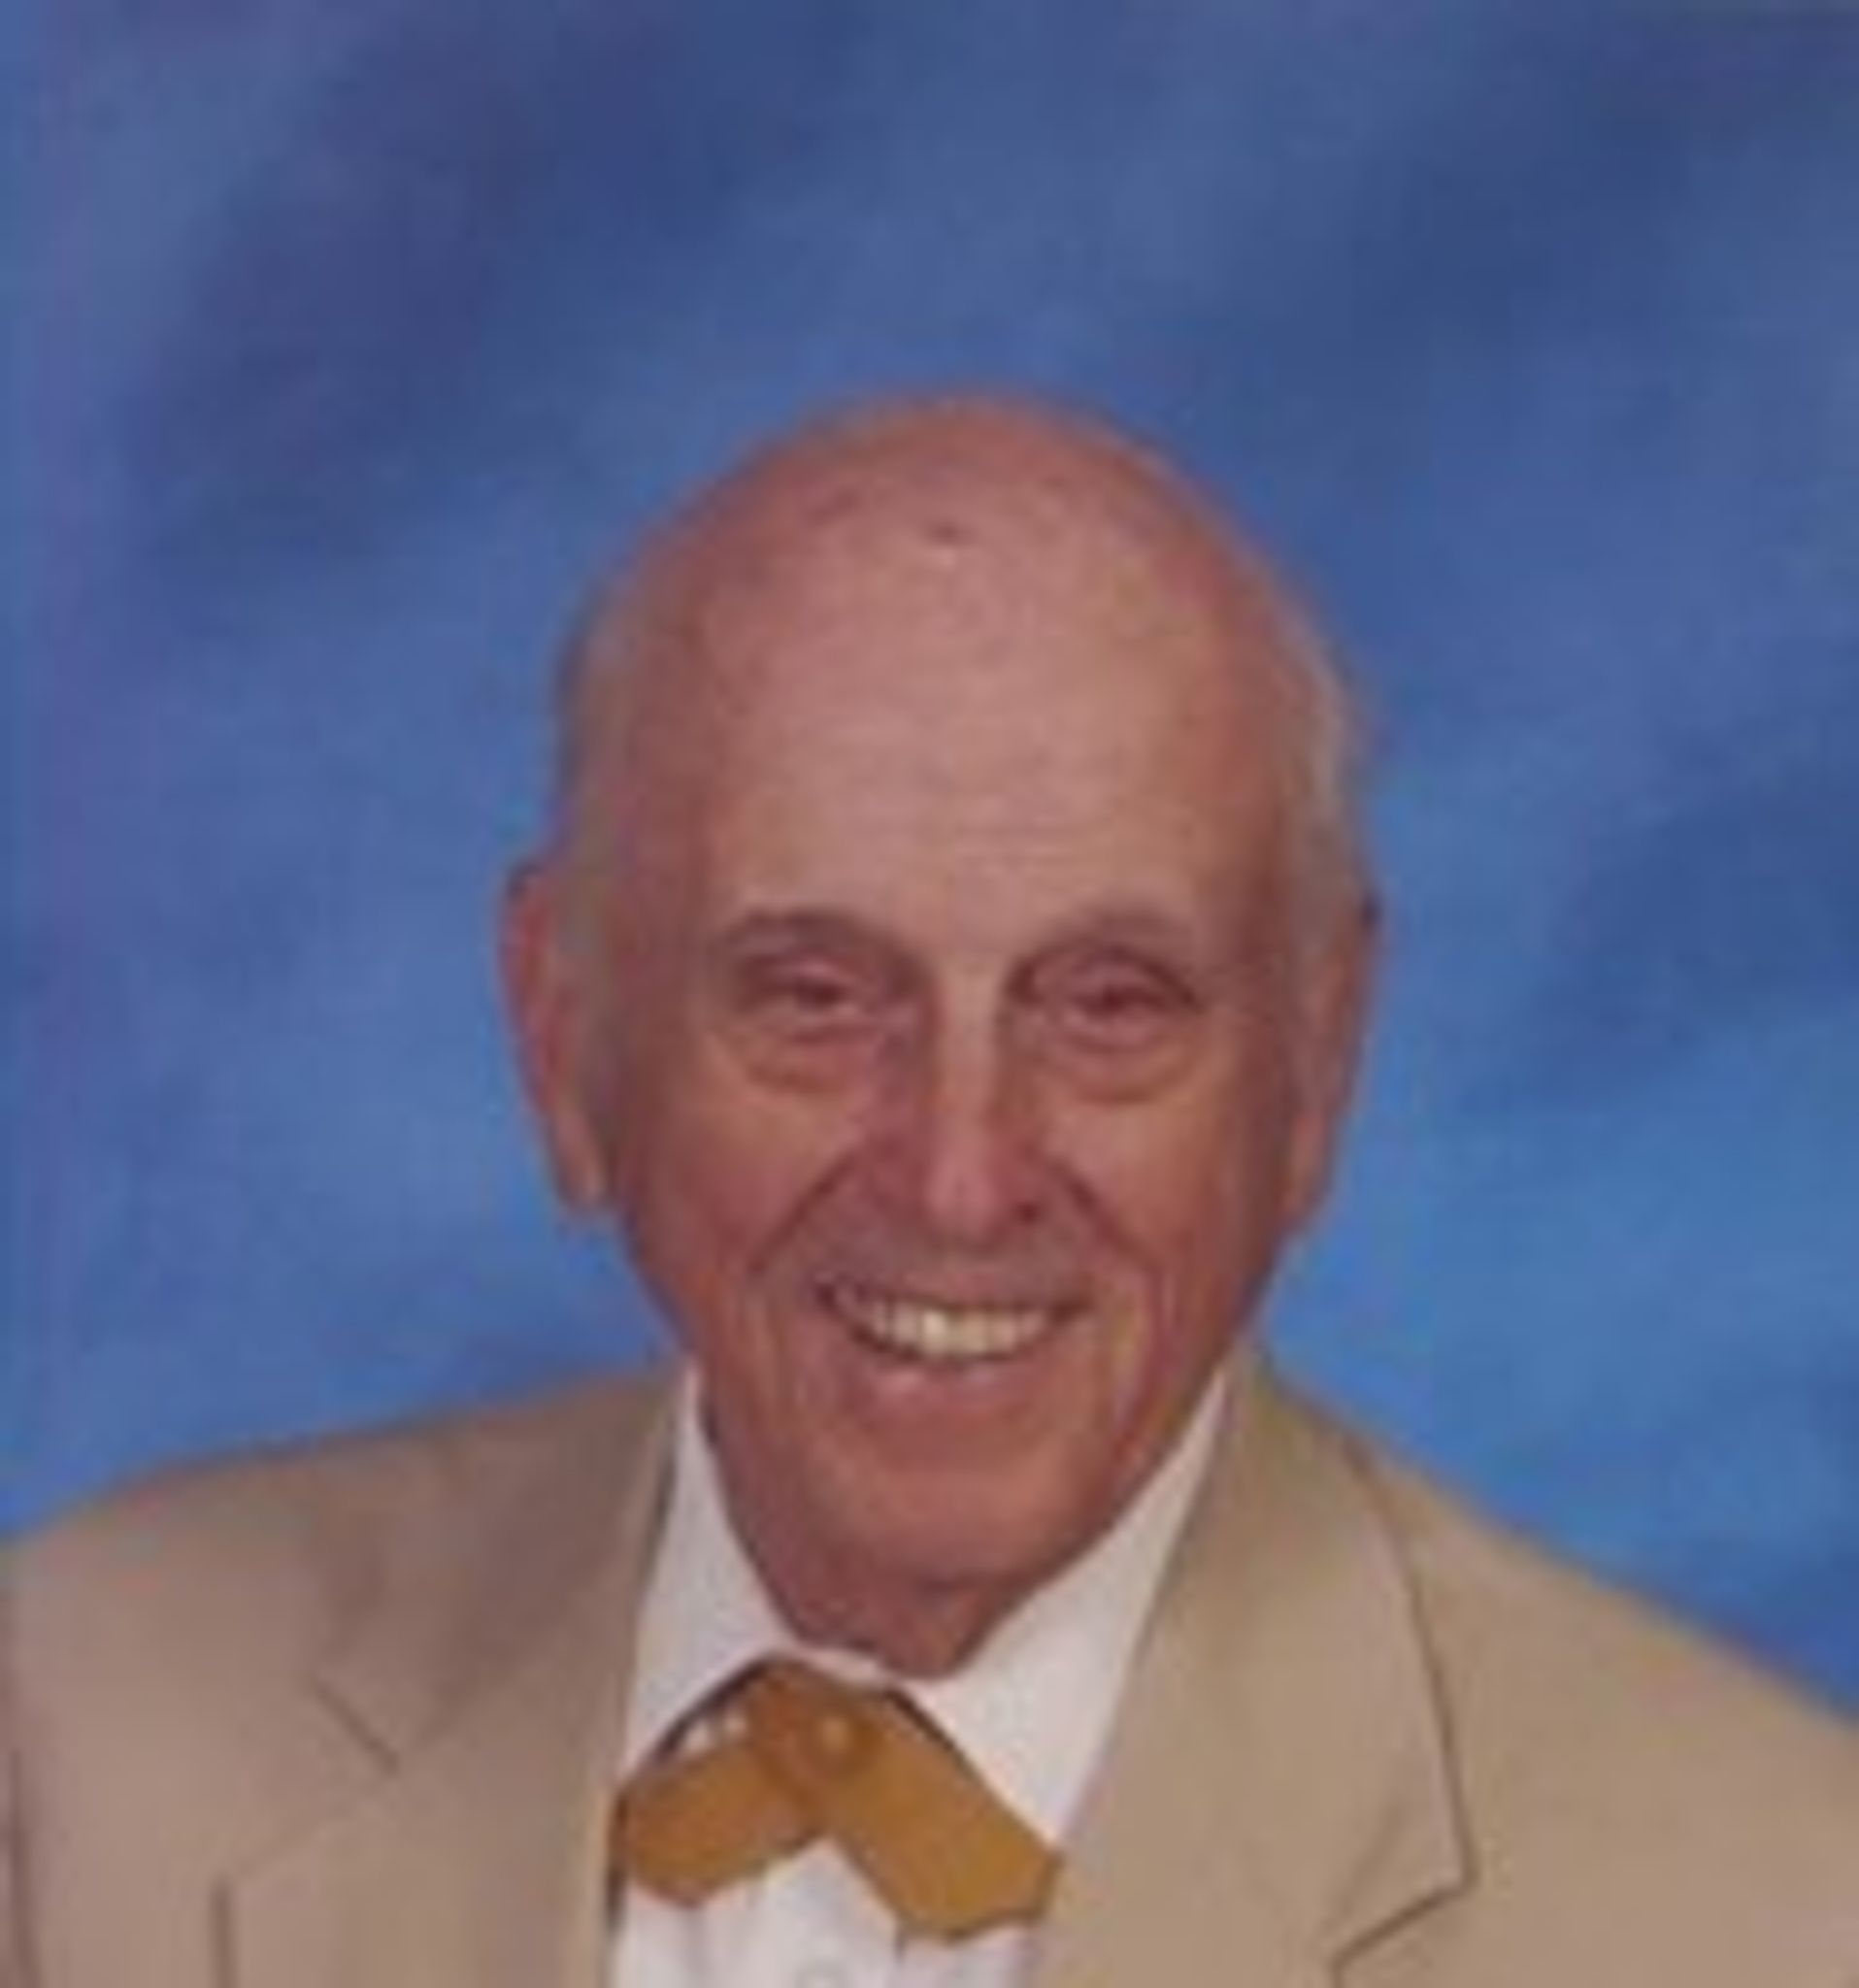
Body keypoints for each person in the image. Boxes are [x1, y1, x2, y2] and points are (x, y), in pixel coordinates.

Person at [4, 396, 1854, 1988]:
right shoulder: (75, 1728)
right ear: (563, 1037)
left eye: (1110, 1003)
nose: (961, 1178)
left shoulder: (1773, 1914)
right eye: (814, 996)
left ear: (1319, 1063)